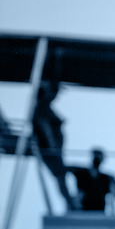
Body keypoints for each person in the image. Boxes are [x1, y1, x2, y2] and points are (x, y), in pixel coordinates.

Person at [32, 80, 76, 208]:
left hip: (53, 150)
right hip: (51, 151)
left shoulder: (43, 108)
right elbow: (44, 127)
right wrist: (52, 145)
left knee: (60, 176)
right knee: (60, 176)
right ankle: (69, 202)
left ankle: (69, 201)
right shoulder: (41, 107)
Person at [69, 148, 115, 212]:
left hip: (99, 213)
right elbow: (62, 169)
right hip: (81, 211)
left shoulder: (107, 178)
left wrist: (114, 181)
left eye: (99, 157)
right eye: (95, 157)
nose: (97, 159)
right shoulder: (80, 173)